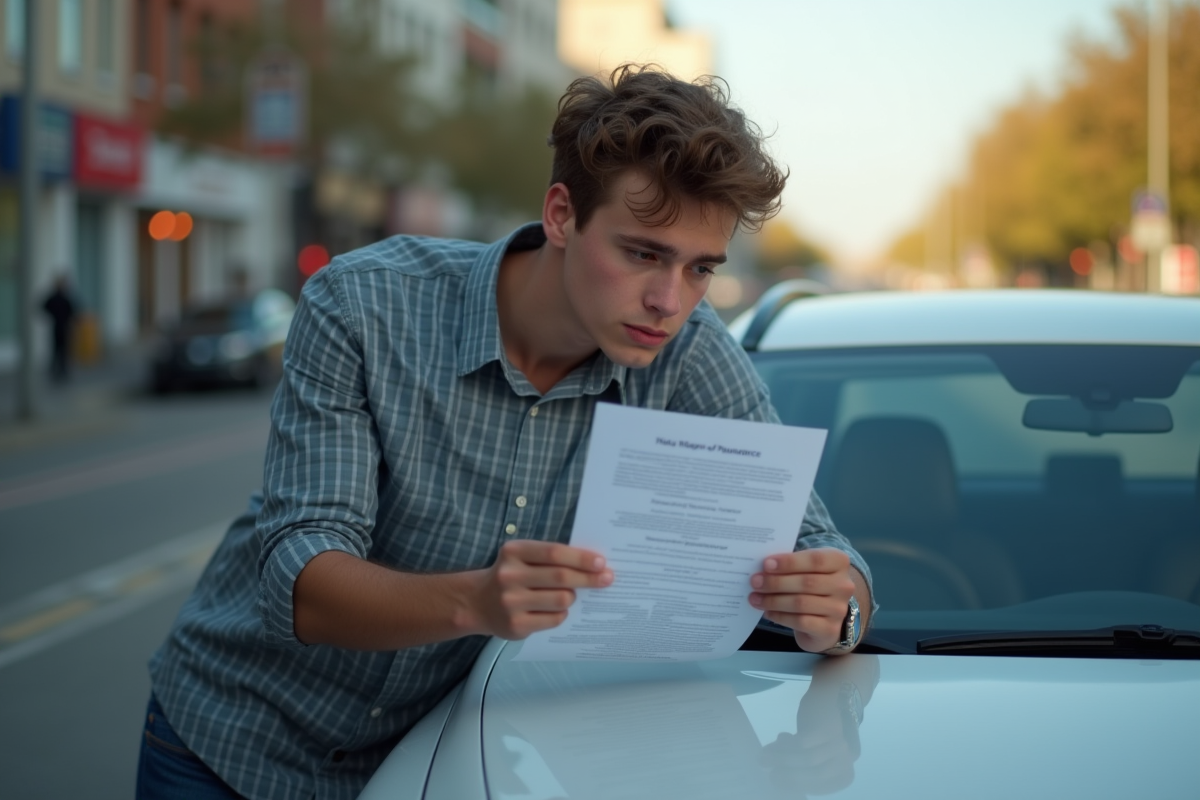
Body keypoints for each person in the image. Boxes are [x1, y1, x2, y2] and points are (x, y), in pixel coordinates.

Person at [137, 64, 875, 800]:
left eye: (700, 269)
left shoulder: (688, 348)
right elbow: (297, 576)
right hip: (227, 744)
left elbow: (826, 551)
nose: (668, 300)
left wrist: (836, 612)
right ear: (561, 215)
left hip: (421, 767)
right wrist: (479, 602)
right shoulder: (363, 304)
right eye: (643, 253)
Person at [41, 275, 77, 383]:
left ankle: (59, 370)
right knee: (59, 350)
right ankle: (59, 370)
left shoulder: (60, 298)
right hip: (61, 327)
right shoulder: (62, 298)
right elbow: (72, 312)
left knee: (59, 350)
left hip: (60, 327)